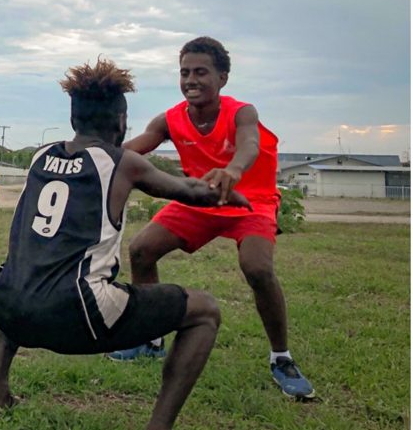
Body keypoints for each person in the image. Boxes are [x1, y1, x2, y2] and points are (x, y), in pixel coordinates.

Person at [0, 58, 248, 430]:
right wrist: (233, 194)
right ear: (121, 121)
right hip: (79, 315)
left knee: (14, 281)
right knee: (204, 310)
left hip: (10, 310)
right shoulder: (123, 163)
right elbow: (189, 191)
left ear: (74, 119)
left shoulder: (41, 155)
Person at [112, 37, 315, 400]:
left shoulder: (241, 112)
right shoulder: (170, 120)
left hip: (248, 201)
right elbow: (135, 148)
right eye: (185, 72)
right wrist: (94, 153)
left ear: (222, 77)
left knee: (257, 268)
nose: (191, 79)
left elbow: (250, 144)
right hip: (200, 201)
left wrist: (233, 170)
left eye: (201, 72)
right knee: (142, 250)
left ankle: (281, 358)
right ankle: (151, 339)